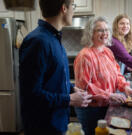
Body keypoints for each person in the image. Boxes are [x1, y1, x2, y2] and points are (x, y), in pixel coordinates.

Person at [19, 0, 92, 135]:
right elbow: (31, 95)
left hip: (58, 123)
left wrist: (71, 88)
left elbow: (52, 78)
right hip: (43, 127)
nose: (74, 11)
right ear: (64, 8)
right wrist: (69, 99)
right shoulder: (37, 41)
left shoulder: (54, 38)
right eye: (73, 6)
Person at [74, 16, 132, 135]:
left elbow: (117, 74)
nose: (105, 33)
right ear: (91, 33)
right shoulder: (85, 56)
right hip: (91, 109)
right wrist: (109, 95)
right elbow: (86, 88)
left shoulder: (107, 52)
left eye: (106, 30)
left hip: (106, 105)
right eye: (100, 30)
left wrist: (125, 87)